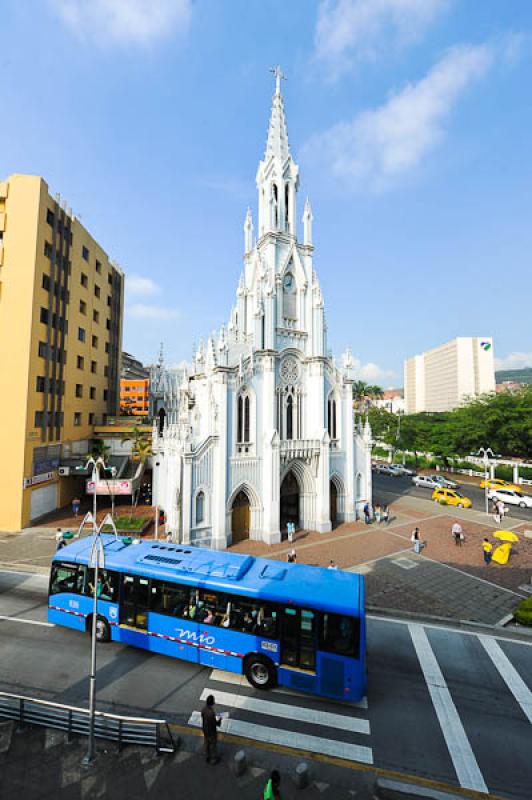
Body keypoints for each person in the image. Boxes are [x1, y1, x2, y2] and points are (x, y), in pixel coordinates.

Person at [201, 695, 221, 765]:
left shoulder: (204, 709)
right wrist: (219, 720)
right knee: (213, 745)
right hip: (211, 732)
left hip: (205, 729)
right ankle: (214, 759)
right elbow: (215, 723)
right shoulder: (211, 713)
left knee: (207, 743)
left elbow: (203, 717)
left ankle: (207, 756)